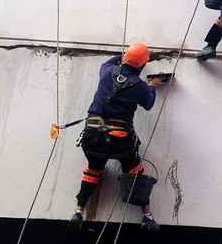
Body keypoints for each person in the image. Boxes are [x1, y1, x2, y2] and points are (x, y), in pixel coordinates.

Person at [68, 42, 164, 232]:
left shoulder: (106, 70)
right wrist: (153, 86)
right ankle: (147, 217)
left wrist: (129, 55)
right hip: (119, 141)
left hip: (92, 137)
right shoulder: (140, 87)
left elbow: (115, 60)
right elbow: (149, 103)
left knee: (93, 171)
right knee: (136, 171)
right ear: (142, 65)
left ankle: (78, 212)